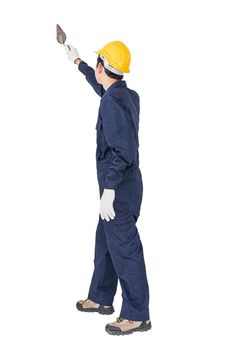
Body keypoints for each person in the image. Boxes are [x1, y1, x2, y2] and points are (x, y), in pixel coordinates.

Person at [65, 40, 151, 336]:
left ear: (103, 67)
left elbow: (122, 151)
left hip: (119, 191)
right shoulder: (125, 95)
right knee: (105, 242)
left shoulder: (111, 104)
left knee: (125, 249)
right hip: (126, 187)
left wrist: (110, 190)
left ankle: (137, 315)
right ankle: (101, 298)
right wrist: (78, 64)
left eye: (95, 65)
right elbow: (101, 87)